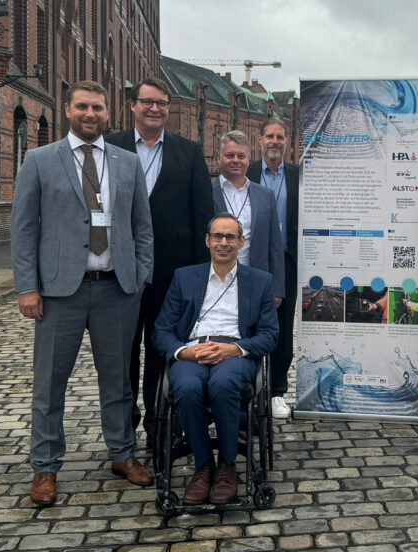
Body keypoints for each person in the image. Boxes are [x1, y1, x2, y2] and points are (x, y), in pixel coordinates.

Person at [12, 80, 156, 507]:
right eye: (82, 107)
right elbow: (24, 230)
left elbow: (141, 225)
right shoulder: (39, 160)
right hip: (60, 294)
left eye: (97, 108)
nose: (90, 115)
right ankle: (45, 467)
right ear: (67, 109)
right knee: (49, 385)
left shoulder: (127, 163)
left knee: (118, 381)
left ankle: (122, 454)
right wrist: (27, 287)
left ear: (108, 112)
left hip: (117, 290)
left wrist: (140, 273)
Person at [104, 78, 214, 449]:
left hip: (172, 273)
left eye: (162, 103)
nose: (155, 109)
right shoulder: (109, 147)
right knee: (121, 355)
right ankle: (123, 431)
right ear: (132, 105)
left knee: (161, 349)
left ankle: (159, 426)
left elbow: (203, 216)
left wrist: (202, 275)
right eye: (148, 102)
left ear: (169, 108)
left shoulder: (189, 152)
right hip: (117, 270)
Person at [153, 213, 279, 504]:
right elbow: (161, 330)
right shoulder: (185, 277)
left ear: (241, 241)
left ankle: (227, 466)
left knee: (223, 384)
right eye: (218, 237)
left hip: (236, 351)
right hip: (193, 349)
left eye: (230, 237)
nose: (224, 242)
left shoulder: (260, 281)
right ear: (208, 241)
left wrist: (234, 350)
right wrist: (185, 351)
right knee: (185, 387)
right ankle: (203, 466)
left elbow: (270, 335)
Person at [246, 119, 299, 419]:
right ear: (260, 140)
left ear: (286, 142)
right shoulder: (249, 172)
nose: (275, 141)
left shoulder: (296, 175)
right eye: (270, 136)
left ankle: (277, 390)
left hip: (287, 261)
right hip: (253, 261)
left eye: (280, 136)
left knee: (282, 328)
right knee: (250, 325)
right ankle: (250, 388)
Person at [213, 130, 285, 301]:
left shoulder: (265, 195)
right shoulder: (206, 192)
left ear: (248, 159)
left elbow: (275, 246)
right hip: (215, 281)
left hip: (256, 280)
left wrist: (277, 289)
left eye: (241, 156)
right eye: (229, 155)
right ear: (218, 158)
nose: (236, 160)